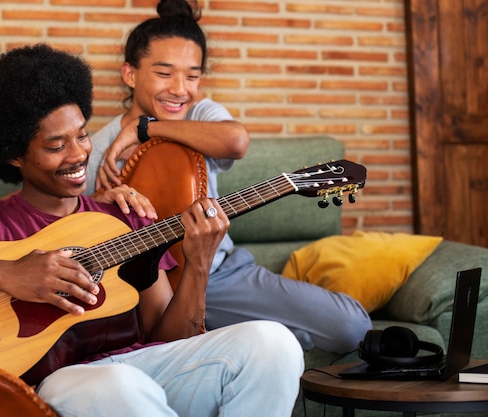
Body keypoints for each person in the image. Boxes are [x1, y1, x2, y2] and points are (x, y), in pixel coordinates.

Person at [0, 44, 303, 416]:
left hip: (144, 372)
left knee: (274, 343)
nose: (78, 154)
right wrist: (6, 274)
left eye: (82, 135)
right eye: (55, 145)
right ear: (14, 155)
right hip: (60, 384)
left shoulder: (125, 216)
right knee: (117, 386)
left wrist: (198, 263)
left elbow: (170, 339)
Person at [88, 0, 372, 354]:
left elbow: (235, 141)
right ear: (129, 74)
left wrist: (146, 128)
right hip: (135, 295)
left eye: (192, 76)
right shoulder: (97, 149)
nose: (179, 89)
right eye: (164, 74)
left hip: (217, 276)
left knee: (352, 327)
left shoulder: (201, 113)